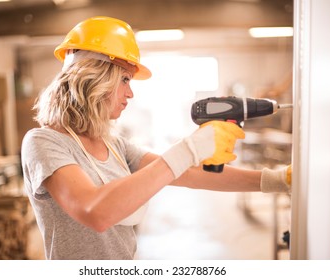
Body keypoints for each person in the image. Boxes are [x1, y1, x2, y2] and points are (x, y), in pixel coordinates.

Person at [21, 16, 291, 260]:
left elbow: (190, 173)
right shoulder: (43, 143)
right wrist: (186, 150)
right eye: (125, 80)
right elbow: (95, 211)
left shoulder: (114, 146)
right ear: (94, 79)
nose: (130, 94)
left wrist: (275, 180)